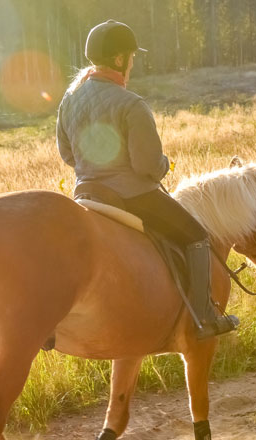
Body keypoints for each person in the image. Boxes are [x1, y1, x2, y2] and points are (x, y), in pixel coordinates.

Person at [56, 20, 238, 340]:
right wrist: (163, 165)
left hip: (85, 193)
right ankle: (204, 317)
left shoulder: (69, 100)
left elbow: (68, 155)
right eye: (131, 56)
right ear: (118, 60)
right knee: (197, 236)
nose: (132, 63)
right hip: (132, 195)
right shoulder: (132, 104)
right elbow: (145, 166)